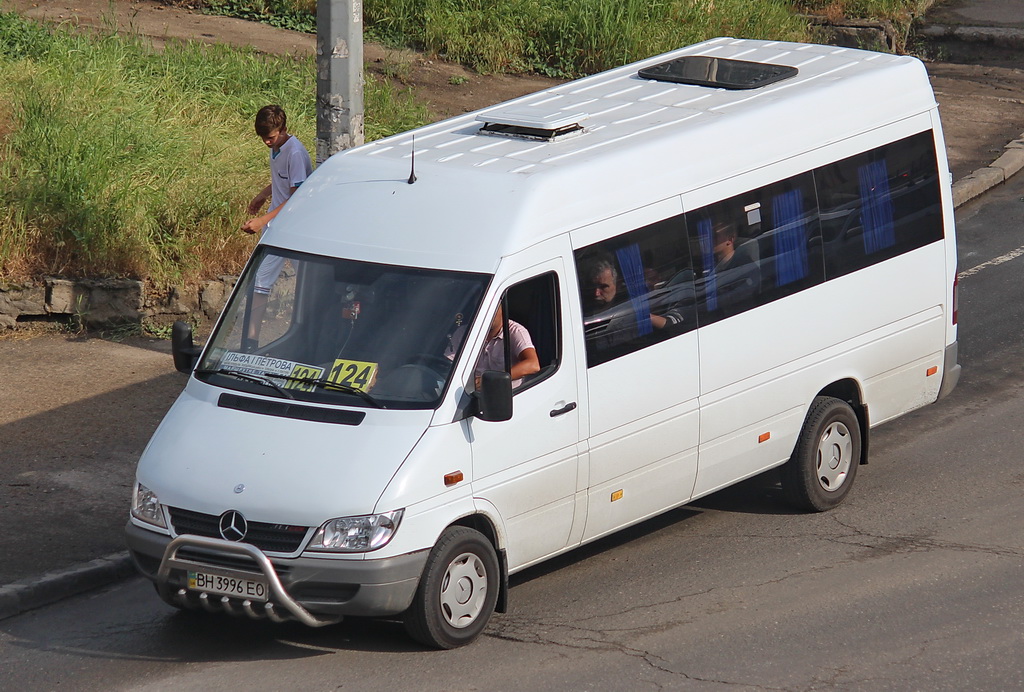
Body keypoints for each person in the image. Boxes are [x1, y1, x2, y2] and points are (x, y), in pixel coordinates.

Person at [240, 105, 313, 351]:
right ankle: (251, 340)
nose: (266, 143)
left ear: (283, 130)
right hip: (277, 224)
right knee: (260, 280)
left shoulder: (295, 153)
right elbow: (281, 179)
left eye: (270, 137)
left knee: (298, 282)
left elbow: (296, 198)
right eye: (263, 138)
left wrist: (263, 221)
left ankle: (252, 341)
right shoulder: (278, 148)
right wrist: (262, 195)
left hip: (292, 227)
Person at [473, 305, 540, 389]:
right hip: (469, 394)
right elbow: (451, 362)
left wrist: (494, 379)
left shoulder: (515, 331)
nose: (487, 314)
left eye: (492, 309)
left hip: (508, 394)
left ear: (502, 310)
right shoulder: (465, 332)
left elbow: (533, 365)